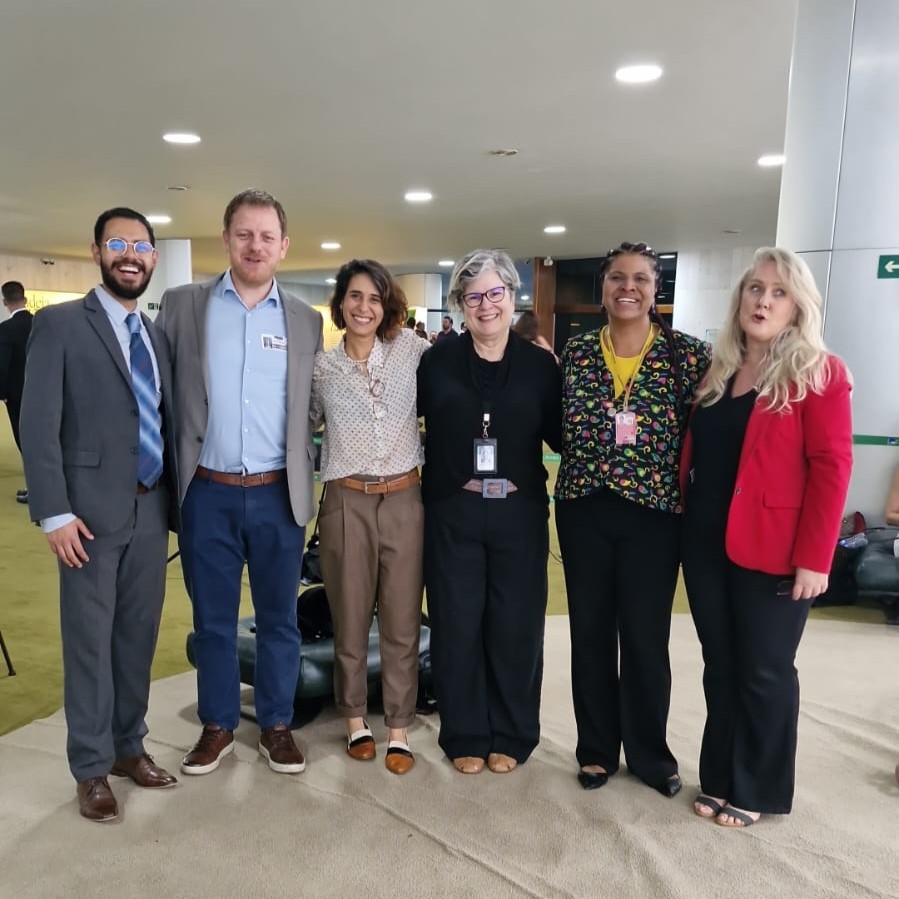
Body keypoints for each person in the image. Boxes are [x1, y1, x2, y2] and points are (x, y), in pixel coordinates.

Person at [681, 247, 852, 828]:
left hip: (776, 549)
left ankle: (757, 786)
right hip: (706, 544)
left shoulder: (819, 372)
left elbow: (832, 468)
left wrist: (816, 558)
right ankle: (720, 775)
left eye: (779, 292)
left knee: (764, 669)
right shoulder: (719, 372)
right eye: (755, 288)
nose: (763, 301)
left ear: (798, 306)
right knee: (721, 665)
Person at [157, 189, 323, 777]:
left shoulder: (305, 320)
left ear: (284, 246)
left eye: (266, 236)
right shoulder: (183, 306)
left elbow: (311, 407)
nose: (255, 246)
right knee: (213, 620)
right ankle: (218, 724)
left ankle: (276, 724)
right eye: (244, 234)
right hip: (208, 492)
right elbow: (160, 395)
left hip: (280, 493)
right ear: (226, 239)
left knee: (280, 618)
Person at [20, 207, 179, 822]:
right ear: (97, 252)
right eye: (117, 244)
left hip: (150, 508)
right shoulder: (59, 325)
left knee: (137, 636)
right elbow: (38, 425)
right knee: (89, 643)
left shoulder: (155, 336)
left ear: (154, 258)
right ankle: (90, 767)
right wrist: (53, 512)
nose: (129, 255)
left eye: (140, 246)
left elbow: (158, 418)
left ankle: (127, 747)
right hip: (85, 517)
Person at [555, 241, 711, 796]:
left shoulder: (687, 355)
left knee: (646, 638)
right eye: (617, 278)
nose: (628, 287)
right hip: (583, 508)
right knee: (590, 634)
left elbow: (709, 434)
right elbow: (558, 426)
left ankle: (650, 755)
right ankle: (596, 751)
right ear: (601, 289)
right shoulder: (575, 352)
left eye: (641, 278)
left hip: (653, 514)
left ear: (655, 289)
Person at [418, 248, 562, 775]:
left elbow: (562, 436)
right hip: (453, 510)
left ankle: (513, 731)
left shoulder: (541, 366)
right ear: (460, 303)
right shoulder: (435, 361)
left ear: (512, 296)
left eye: (495, 292)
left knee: (516, 625)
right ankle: (465, 732)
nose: (486, 305)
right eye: (473, 295)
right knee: (456, 623)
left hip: (518, 513)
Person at [311, 259, 427, 774]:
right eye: (355, 296)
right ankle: (355, 718)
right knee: (351, 616)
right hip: (345, 501)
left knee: (402, 618)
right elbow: (300, 427)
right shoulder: (322, 369)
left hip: (404, 499)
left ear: (388, 306)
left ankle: (398, 726)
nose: (364, 307)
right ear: (341, 304)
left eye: (375, 298)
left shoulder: (412, 352)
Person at [0, 280, 33, 503]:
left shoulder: (5, 329)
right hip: (46, 391)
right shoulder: (41, 323)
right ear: (26, 298)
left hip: (18, 394)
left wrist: (2, 391)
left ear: (5, 302)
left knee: (25, 441)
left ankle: (35, 490)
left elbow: (2, 364)